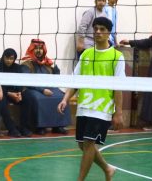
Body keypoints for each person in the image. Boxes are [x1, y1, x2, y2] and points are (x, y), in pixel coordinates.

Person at [58, 16, 124, 181]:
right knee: (82, 144)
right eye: (95, 29)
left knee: (88, 143)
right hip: (84, 106)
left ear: (108, 32)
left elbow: (119, 87)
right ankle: (107, 169)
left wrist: (118, 113)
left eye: (102, 29)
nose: (98, 32)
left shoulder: (117, 56)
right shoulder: (86, 54)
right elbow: (76, 81)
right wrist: (65, 99)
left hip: (102, 108)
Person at [21, 39, 71, 135]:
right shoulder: (26, 64)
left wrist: (56, 69)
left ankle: (58, 126)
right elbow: (28, 82)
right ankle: (39, 127)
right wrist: (42, 90)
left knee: (61, 96)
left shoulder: (47, 63)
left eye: (40, 48)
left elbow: (55, 79)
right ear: (31, 50)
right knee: (38, 98)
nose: (38, 51)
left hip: (49, 87)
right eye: (36, 48)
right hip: (31, 88)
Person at [0, 48, 31, 137]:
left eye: (11, 58)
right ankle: (12, 129)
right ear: (3, 57)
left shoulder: (18, 68)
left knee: (28, 98)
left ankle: (23, 127)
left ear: (14, 59)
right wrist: (9, 93)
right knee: (1, 100)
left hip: (15, 93)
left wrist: (19, 93)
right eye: (7, 58)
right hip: (3, 93)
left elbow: (20, 82)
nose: (9, 61)